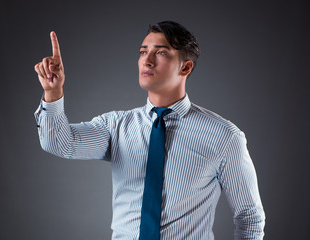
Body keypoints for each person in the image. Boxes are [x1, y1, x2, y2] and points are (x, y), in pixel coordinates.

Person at [34, 21, 265, 239]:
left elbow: (250, 216)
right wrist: (53, 94)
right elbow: (59, 143)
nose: (147, 60)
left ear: (185, 67)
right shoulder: (116, 126)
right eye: (143, 51)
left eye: (161, 52)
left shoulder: (224, 137)